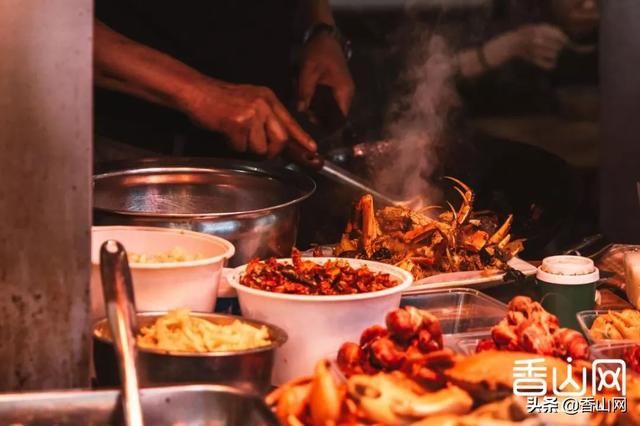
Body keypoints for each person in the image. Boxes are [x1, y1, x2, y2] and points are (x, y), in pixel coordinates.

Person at [93, 0, 355, 162]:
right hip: (129, 151)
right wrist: (199, 94)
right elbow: (56, 25)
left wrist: (320, 28)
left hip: (262, 146)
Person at [454, 0, 599, 115]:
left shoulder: (616, 29)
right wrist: (511, 45)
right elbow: (444, 73)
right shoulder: (509, 14)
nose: (589, 5)